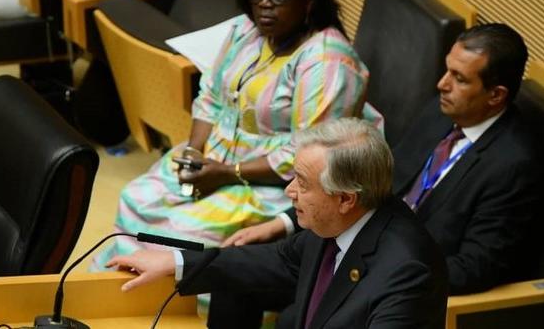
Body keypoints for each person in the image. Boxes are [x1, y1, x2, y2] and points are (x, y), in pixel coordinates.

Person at [91, 0, 382, 270]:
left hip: (274, 182)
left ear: (309, 1)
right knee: (135, 198)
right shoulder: (247, 29)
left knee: (181, 233)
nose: (265, 3)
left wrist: (227, 174)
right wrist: (194, 151)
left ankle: (162, 296)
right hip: (215, 159)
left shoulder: (329, 63)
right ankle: (115, 285)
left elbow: (312, 153)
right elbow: (211, 96)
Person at [224, 23, 541, 295]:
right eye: (447, 70)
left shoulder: (512, 165)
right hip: (352, 241)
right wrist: (284, 223)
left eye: (459, 78)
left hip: (398, 283)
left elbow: (474, 268)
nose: (442, 84)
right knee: (237, 276)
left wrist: (380, 274)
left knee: (292, 318)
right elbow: (370, 182)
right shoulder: (442, 112)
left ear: (496, 95)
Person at [107, 118, 448, 329]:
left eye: (302, 183)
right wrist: (175, 262)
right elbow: (279, 259)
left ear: (346, 199)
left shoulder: (407, 273)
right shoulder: (338, 221)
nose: (289, 191)